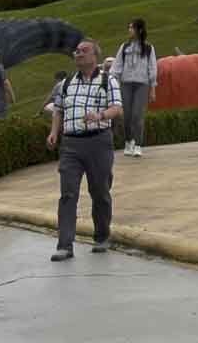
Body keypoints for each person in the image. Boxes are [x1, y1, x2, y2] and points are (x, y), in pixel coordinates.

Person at [46, 38, 121, 260]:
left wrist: (100, 116)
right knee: (68, 194)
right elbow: (58, 110)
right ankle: (65, 245)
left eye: (83, 51)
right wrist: (53, 132)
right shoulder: (66, 83)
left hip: (99, 142)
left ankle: (101, 237)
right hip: (70, 144)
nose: (77, 54)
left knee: (99, 192)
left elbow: (117, 108)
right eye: (76, 51)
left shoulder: (108, 81)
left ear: (94, 56)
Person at [115, 20, 158, 157]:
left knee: (137, 115)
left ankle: (138, 144)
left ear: (139, 30)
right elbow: (117, 67)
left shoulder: (149, 48)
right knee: (127, 116)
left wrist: (152, 89)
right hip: (126, 84)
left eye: (131, 28)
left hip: (142, 84)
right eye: (128, 27)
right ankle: (128, 142)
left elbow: (152, 68)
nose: (129, 30)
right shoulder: (124, 47)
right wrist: (114, 85)